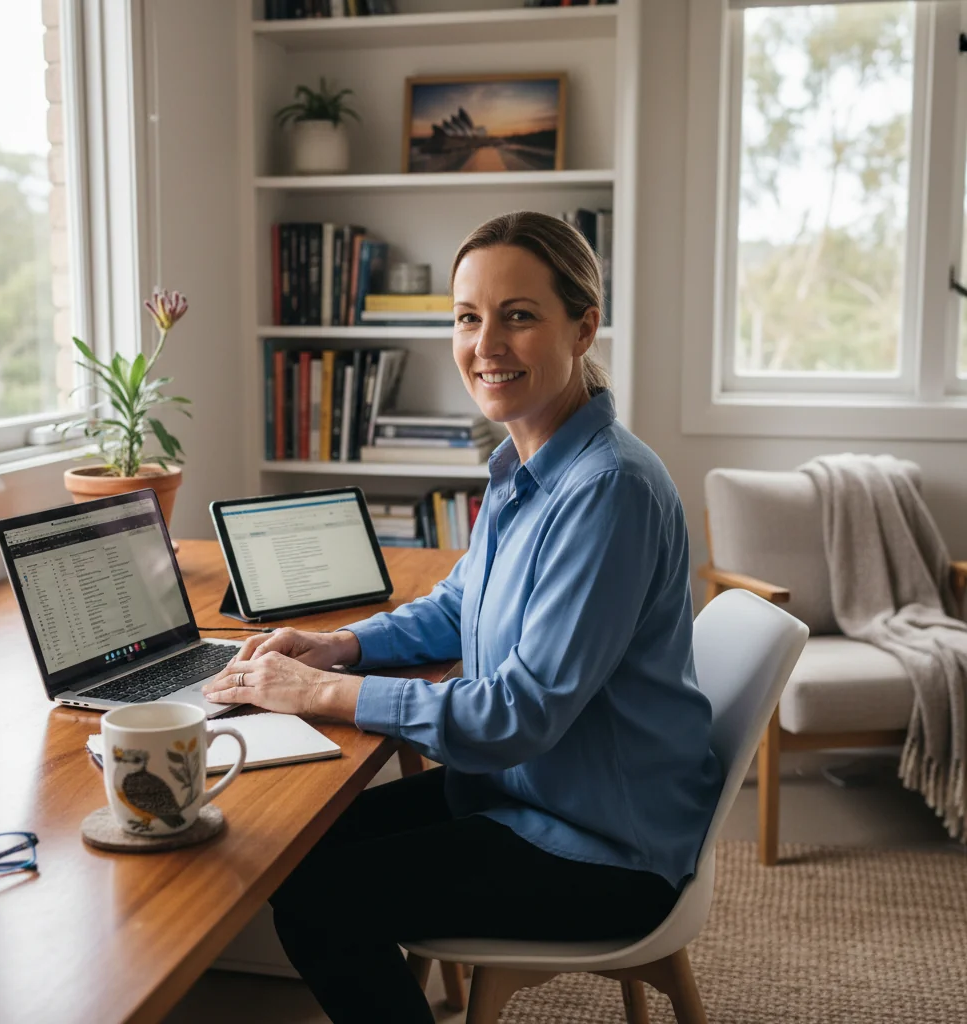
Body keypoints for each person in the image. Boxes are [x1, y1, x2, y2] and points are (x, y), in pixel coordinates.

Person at [203, 211, 723, 1024]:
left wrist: (317, 693)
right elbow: (459, 604)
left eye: (519, 316)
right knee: (295, 850)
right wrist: (340, 646)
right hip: (533, 795)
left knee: (317, 903)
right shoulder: (528, 459)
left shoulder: (606, 490)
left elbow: (516, 715)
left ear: (583, 326)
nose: (487, 345)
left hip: (606, 848)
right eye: (468, 317)